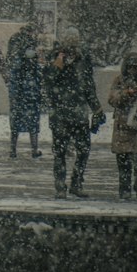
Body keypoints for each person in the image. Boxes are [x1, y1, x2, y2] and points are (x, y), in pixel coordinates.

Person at [42, 29, 106, 199]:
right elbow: (47, 82)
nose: (71, 46)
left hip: (79, 114)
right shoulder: (54, 57)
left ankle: (76, 183)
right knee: (60, 152)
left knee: (84, 150)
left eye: (74, 42)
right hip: (60, 115)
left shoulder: (83, 59)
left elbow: (88, 86)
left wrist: (97, 109)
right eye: (69, 42)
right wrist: (58, 63)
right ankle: (60, 186)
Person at [108, 51, 137, 201]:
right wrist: (126, 94)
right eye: (130, 67)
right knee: (123, 162)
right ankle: (125, 189)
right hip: (123, 126)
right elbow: (112, 99)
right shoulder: (119, 81)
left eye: (135, 67)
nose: (132, 70)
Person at [6, 22, 43, 159]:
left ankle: (13, 149)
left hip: (21, 97)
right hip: (30, 96)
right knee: (32, 124)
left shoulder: (16, 45)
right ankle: (33, 149)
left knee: (16, 123)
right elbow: (38, 76)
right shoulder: (29, 61)